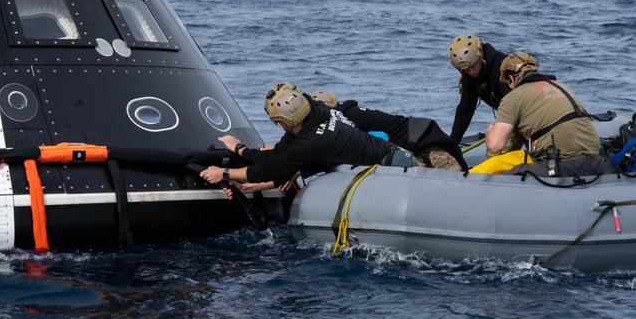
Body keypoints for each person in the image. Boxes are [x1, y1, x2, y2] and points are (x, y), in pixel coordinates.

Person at [199, 83, 410, 192]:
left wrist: (224, 173)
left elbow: (270, 170)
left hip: (394, 167)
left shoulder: (310, 142)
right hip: (388, 153)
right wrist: (240, 149)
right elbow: (276, 158)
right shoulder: (317, 112)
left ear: (284, 123)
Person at [483, 53, 605, 177]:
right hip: (595, 160)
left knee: (503, 178)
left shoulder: (513, 97)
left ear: (511, 79)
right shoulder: (561, 85)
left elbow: (495, 145)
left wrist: (490, 134)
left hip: (562, 165)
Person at [309, 91, 468, 171]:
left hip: (426, 141)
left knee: (455, 178)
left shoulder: (347, 119)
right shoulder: (350, 113)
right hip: (417, 141)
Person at [447, 33, 517, 146]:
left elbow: (513, 110)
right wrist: (452, 143)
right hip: (510, 118)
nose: (471, 72)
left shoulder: (503, 68)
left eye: (473, 67)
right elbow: (465, 109)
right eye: (465, 70)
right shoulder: (469, 72)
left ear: (480, 57)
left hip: (528, 114)